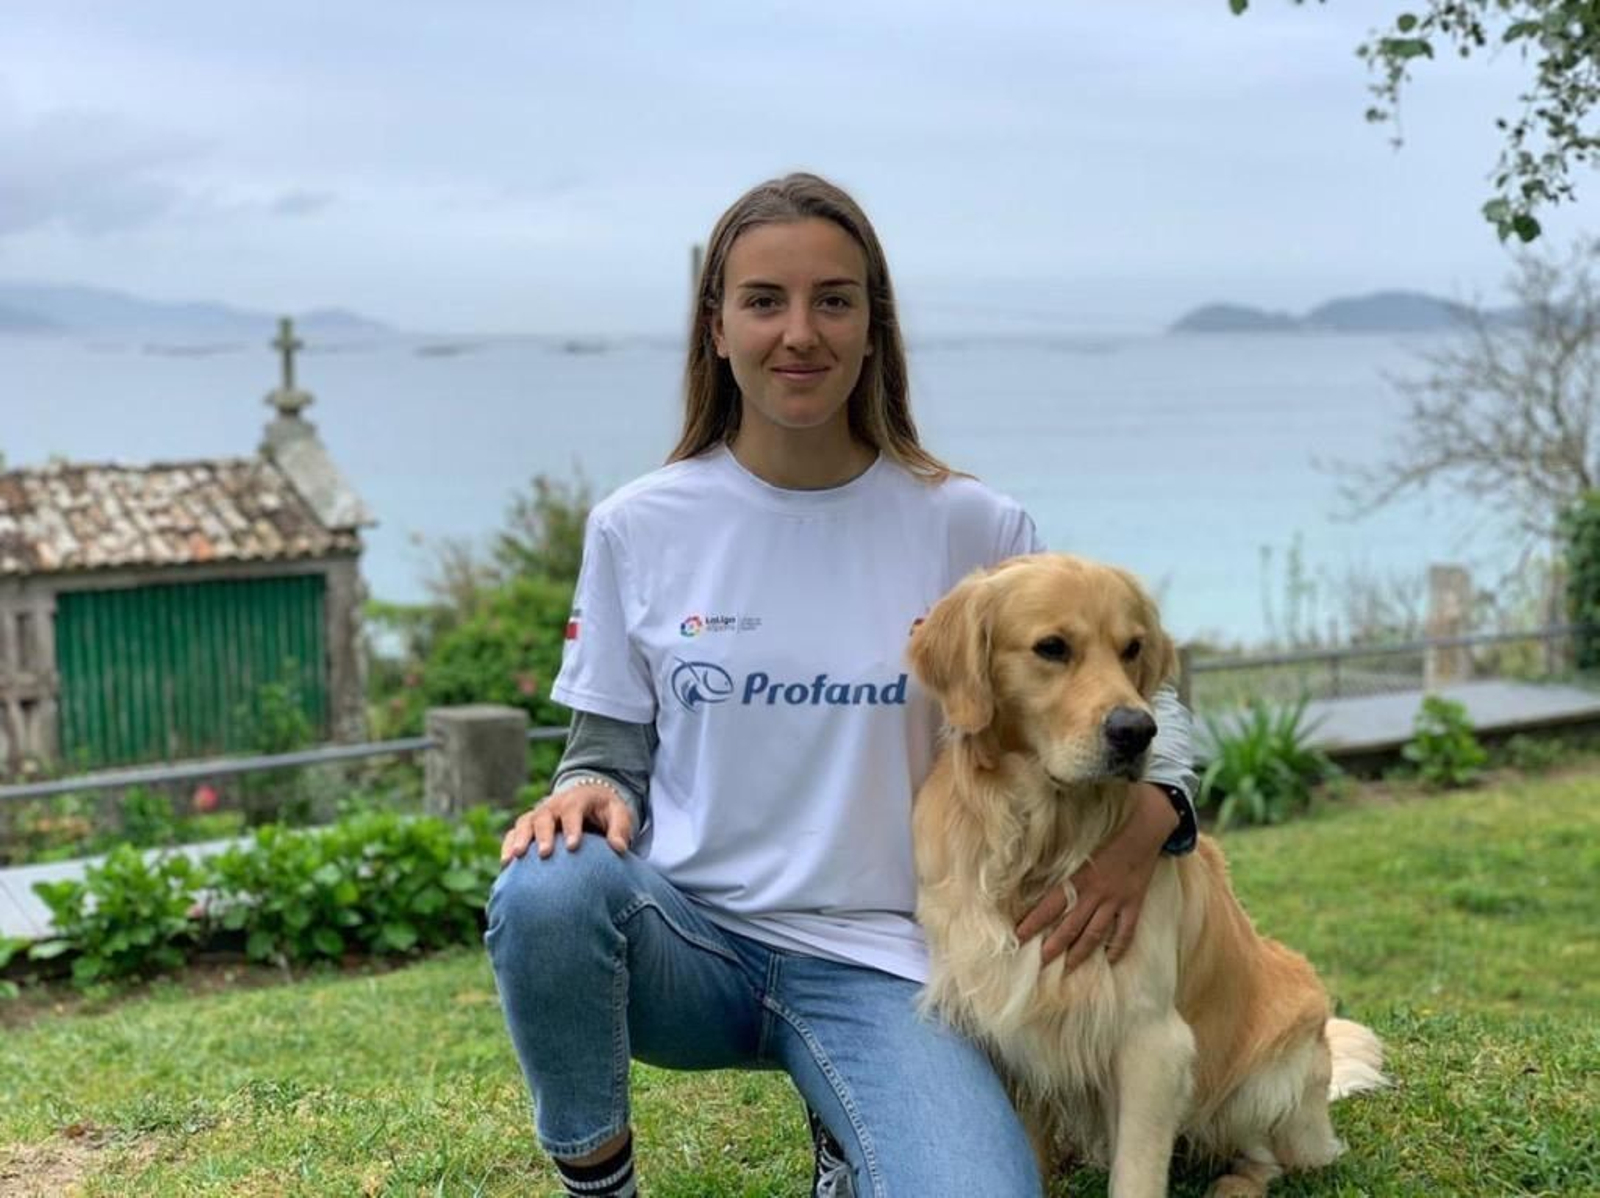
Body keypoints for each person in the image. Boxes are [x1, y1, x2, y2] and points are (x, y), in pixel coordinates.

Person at [485, 172, 1199, 1198]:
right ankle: (602, 1185)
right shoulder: (637, 526)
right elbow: (605, 750)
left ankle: (846, 1124)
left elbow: (1136, 711)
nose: (799, 333)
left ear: (873, 326)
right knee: (547, 889)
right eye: (764, 301)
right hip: (691, 941)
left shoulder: (975, 527)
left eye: (833, 299)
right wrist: (587, 789)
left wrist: (1147, 830)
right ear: (717, 326)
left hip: (893, 969)